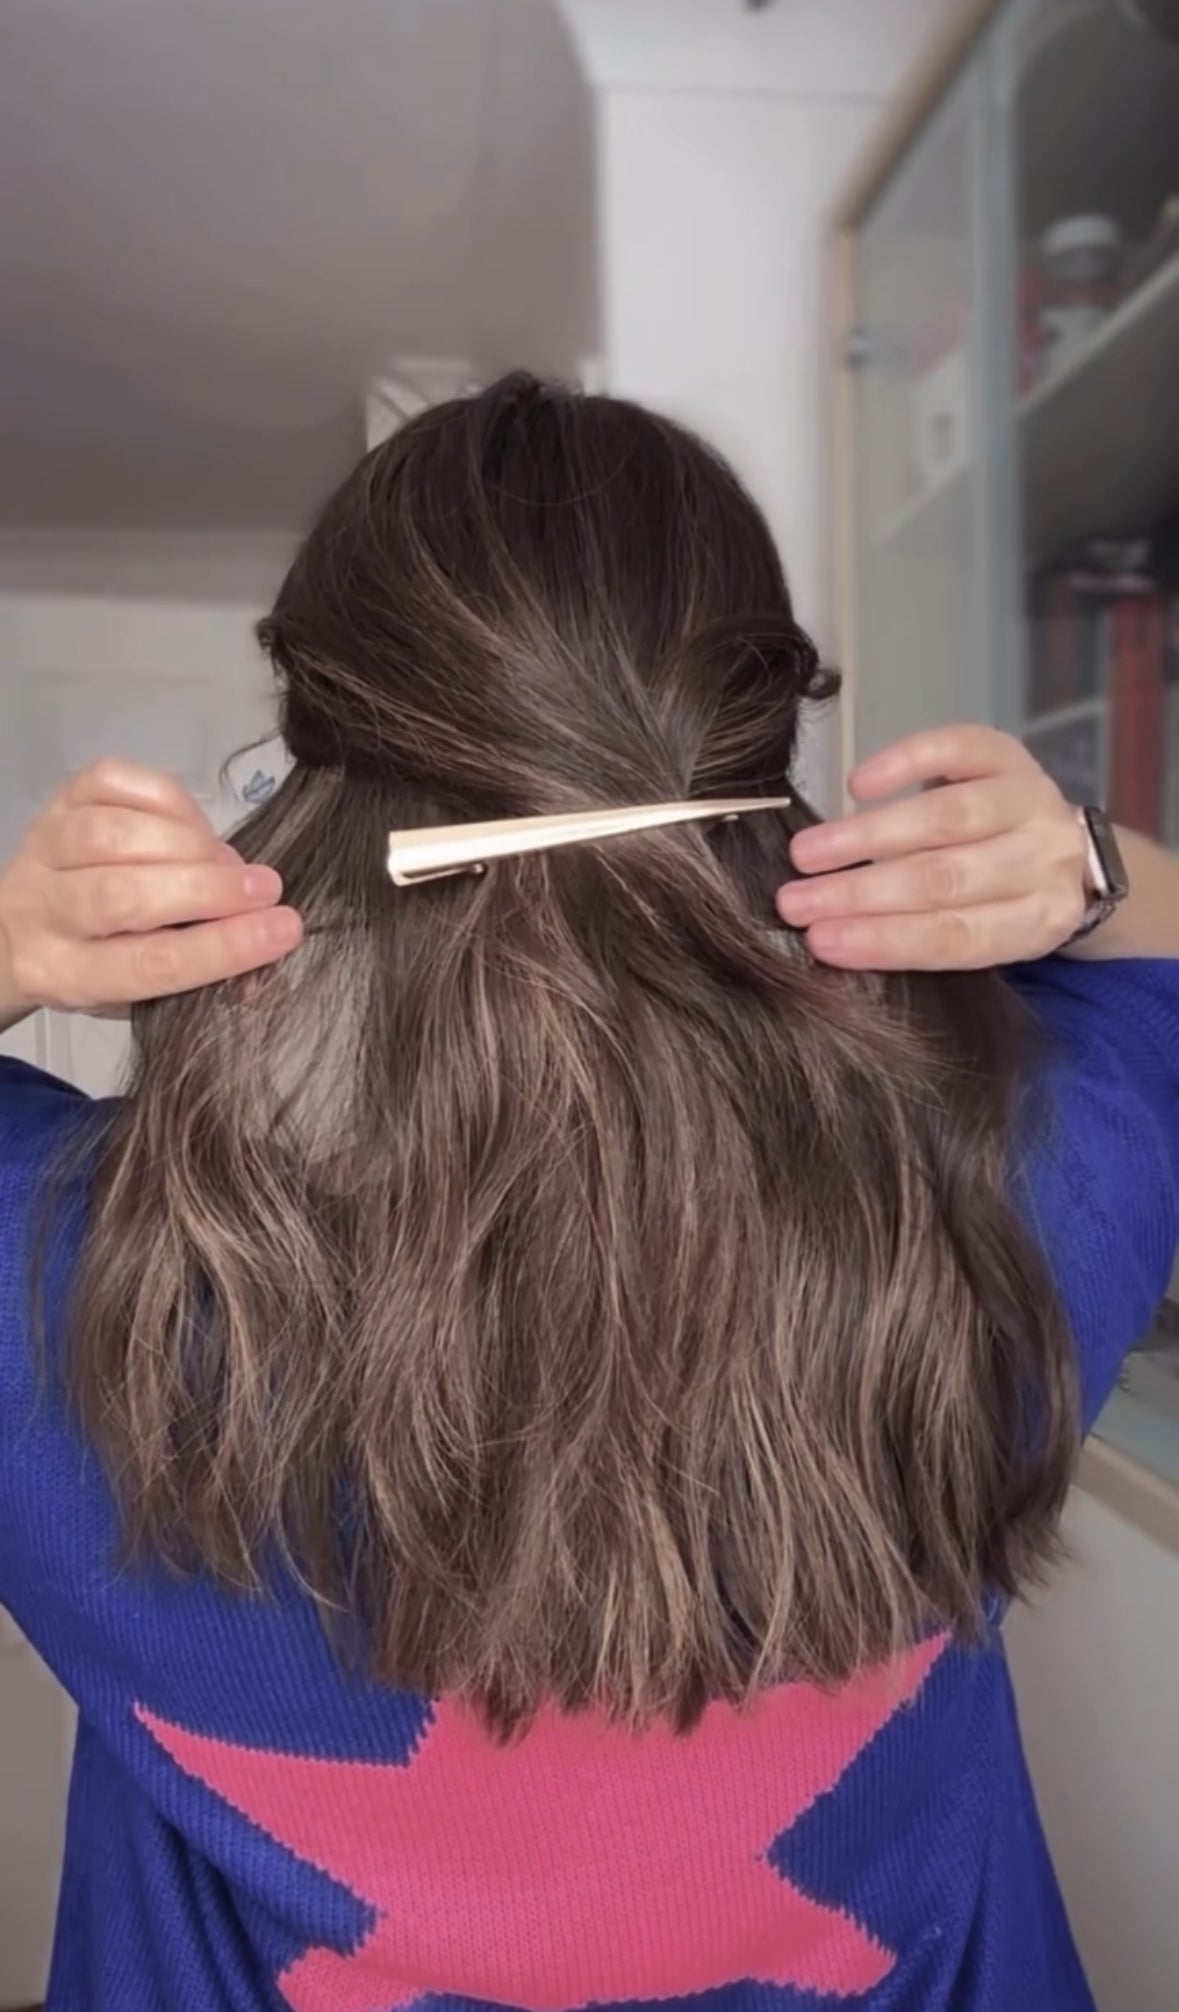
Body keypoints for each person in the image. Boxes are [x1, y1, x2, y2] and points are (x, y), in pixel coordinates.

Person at [0, 375, 1175, 2012]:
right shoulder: (1011, 1202)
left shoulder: (75, 1290)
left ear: (313, 764)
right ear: (755, 742)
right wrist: (1101, 870)